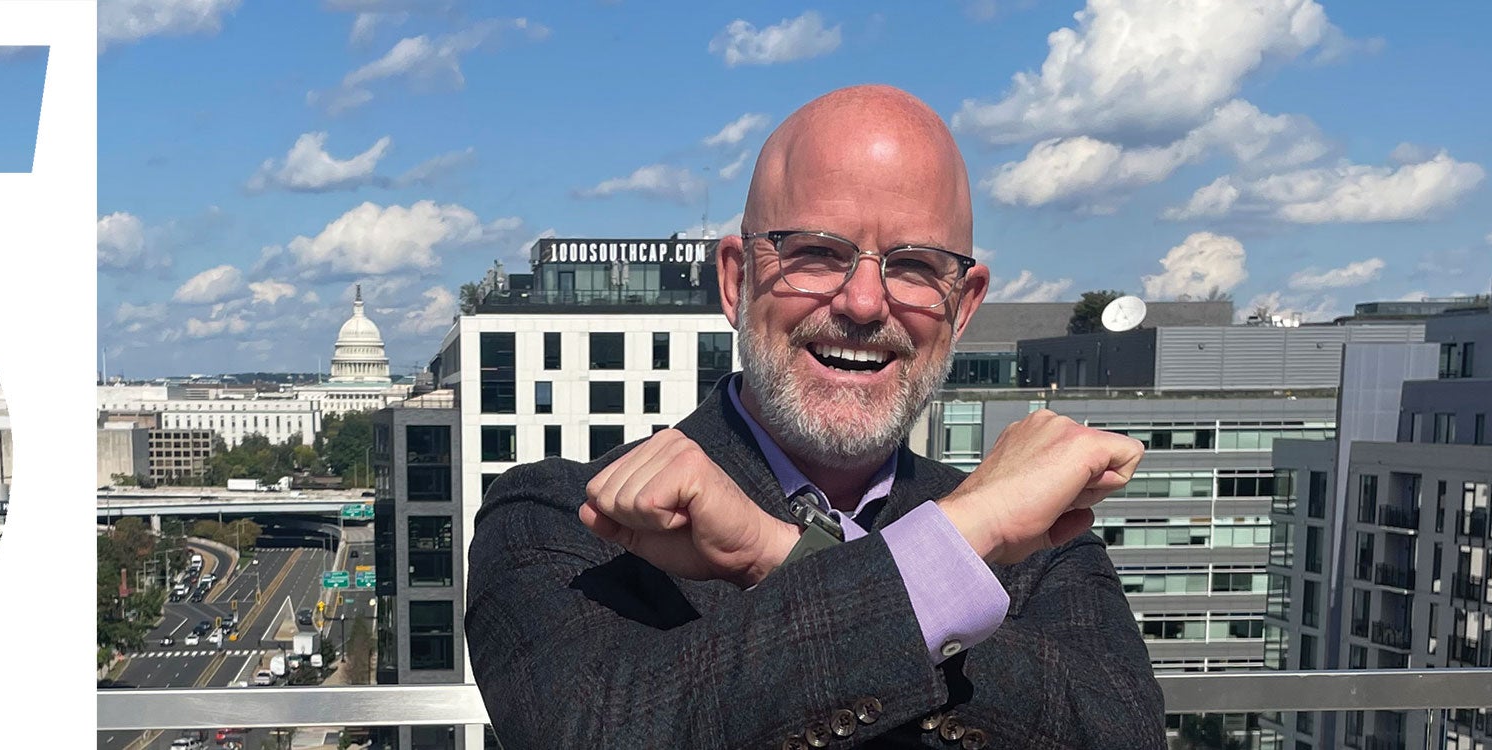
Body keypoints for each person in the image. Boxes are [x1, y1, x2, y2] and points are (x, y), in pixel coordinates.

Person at [465, 84, 1164, 749]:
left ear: (963, 304)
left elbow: (1118, 733)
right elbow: (595, 730)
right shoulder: (566, 516)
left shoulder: (1046, 541)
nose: (863, 304)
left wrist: (775, 556)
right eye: (816, 253)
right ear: (736, 280)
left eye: (914, 265)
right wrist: (956, 538)